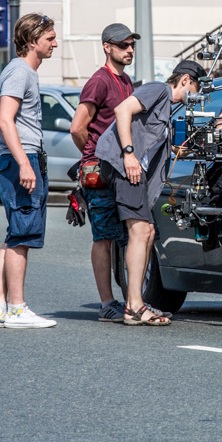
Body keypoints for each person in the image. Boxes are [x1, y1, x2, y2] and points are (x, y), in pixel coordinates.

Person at [95, 60, 208, 326]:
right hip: (123, 165)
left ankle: (136, 302)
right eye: (197, 87)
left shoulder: (170, 107)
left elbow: (174, 150)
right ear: (185, 81)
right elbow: (122, 110)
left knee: (149, 231)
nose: (197, 94)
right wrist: (129, 154)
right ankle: (134, 306)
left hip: (134, 171)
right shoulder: (158, 89)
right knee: (141, 231)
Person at [0, 13, 59, 329]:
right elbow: (3, 121)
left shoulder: (18, 72)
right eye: (50, 38)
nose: (56, 43)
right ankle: (17, 309)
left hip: (18, 157)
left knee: (15, 232)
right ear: (31, 42)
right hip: (21, 159)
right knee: (22, 234)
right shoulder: (20, 72)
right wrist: (24, 162)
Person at [69, 23, 139, 322]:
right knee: (104, 237)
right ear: (107, 47)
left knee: (126, 235)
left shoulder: (127, 82)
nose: (130, 49)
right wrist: (94, 156)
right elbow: (77, 127)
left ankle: (130, 300)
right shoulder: (99, 81)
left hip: (120, 169)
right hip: (101, 171)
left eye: (131, 44)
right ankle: (107, 303)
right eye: (123, 45)